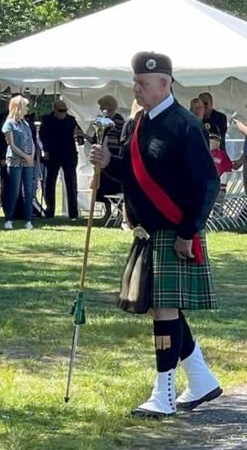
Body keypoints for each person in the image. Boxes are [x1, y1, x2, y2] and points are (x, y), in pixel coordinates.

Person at [90, 52, 221, 418]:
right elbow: (131, 178)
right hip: (149, 233)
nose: (136, 88)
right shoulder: (136, 125)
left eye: (143, 83)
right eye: (135, 82)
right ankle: (201, 379)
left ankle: (163, 394)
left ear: (164, 84)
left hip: (175, 232)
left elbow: (207, 184)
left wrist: (187, 232)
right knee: (164, 310)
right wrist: (108, 164)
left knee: (163, 311)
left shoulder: (185, 125)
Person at [40, 99, 80, 220]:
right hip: (52, 154)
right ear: (55, 110)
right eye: (61, 111)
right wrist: (45, 151)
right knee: (49, 183)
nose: (63, 113)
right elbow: (42, 136)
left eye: (65, 111)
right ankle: (50, 210)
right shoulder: (46, 120)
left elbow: (78, 134)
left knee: (71, 183)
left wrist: (79, 137)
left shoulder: (71, 120)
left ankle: (73, 212)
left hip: (69, 154)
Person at [1, 95, 36, 230]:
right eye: (25, 106)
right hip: (15, 160)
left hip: (28, 161)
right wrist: (24, 156)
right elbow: (12, 144)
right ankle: (9, 218)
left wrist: (31, 156)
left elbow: (32, 141)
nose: (27, 109)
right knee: (14, 190)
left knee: (28, 191)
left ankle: (28, 220)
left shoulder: (25, 124)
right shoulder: (9, 124)